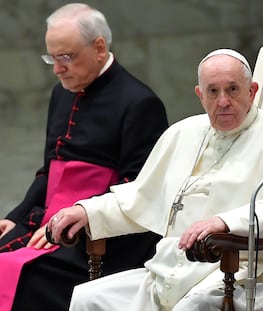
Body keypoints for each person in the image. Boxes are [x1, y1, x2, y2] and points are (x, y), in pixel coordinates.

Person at [50, 48, 263, 311]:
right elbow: (140, 199)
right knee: (90, 298)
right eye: (213, 91)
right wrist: (87, 210)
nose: (223, 102)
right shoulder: (181, 134)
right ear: (200, 95)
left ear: (252, 91)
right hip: (172, 273)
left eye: (232, 89)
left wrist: (225, 223)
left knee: (195, 307)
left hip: (255, 276)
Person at [0, 3, 168, 311]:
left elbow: (139, 189)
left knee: (26, 275)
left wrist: (73, 222)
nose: (57, 68)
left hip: (100, 236)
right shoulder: (60, 92)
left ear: (99, 48)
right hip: (48, 218)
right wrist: (16, 216)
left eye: (66, 57)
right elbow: (49, 170)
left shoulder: (140, 103)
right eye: (52, 56)